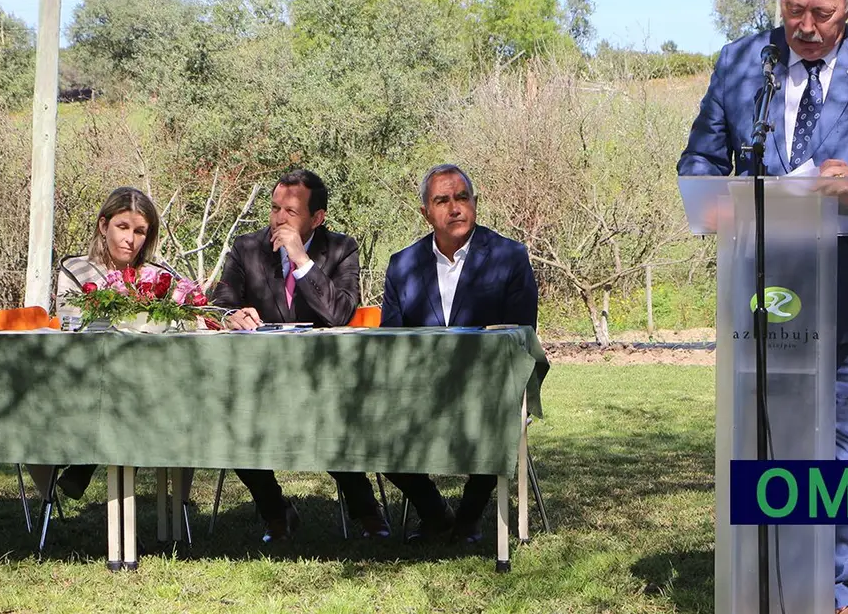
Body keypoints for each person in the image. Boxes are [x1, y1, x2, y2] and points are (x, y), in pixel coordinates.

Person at [678, 0, 848, 614]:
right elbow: (701, 158)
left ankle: (846, 594)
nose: (806, 25)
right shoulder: (741, 61)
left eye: (821, 11)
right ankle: (773, 580)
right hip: (761, 300)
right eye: (794, 9)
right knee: (769, 450)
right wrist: (718, 198)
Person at [212, 168, 388, 542]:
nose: (278, 218)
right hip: (258, 381)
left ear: (317, 218)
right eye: (275, 208)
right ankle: (276, 512)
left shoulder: (341, 249)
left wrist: (300, 259)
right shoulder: (247, 248)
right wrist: (232, 316)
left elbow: (339, 313)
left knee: (332, 422)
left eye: (290, 212)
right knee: (232, 422)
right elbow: (219, 304)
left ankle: (366, 512)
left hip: (325, 381)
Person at [382, 164, 539, 543]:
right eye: (442, 200)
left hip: (489, 387)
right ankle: (434, 512)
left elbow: (520, 336)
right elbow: (390, 343)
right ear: (425, 213)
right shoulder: (402, 265)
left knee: (495, 414)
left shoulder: (509, 256)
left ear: (475, 204)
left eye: (462, 198)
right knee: (369, 423)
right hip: (418, 389)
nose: (455, 208)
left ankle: (469, 517)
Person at [41, 186, 180, 501]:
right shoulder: (75, 270)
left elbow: (187, 322)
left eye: (141, 231)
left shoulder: (160, 276)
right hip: (84, 378)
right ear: (104, 226)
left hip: (152, 384)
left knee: (135, 389)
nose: (130, 239)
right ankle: (122, 525)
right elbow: (74, 324)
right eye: (123, 227)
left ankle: (84, 470)